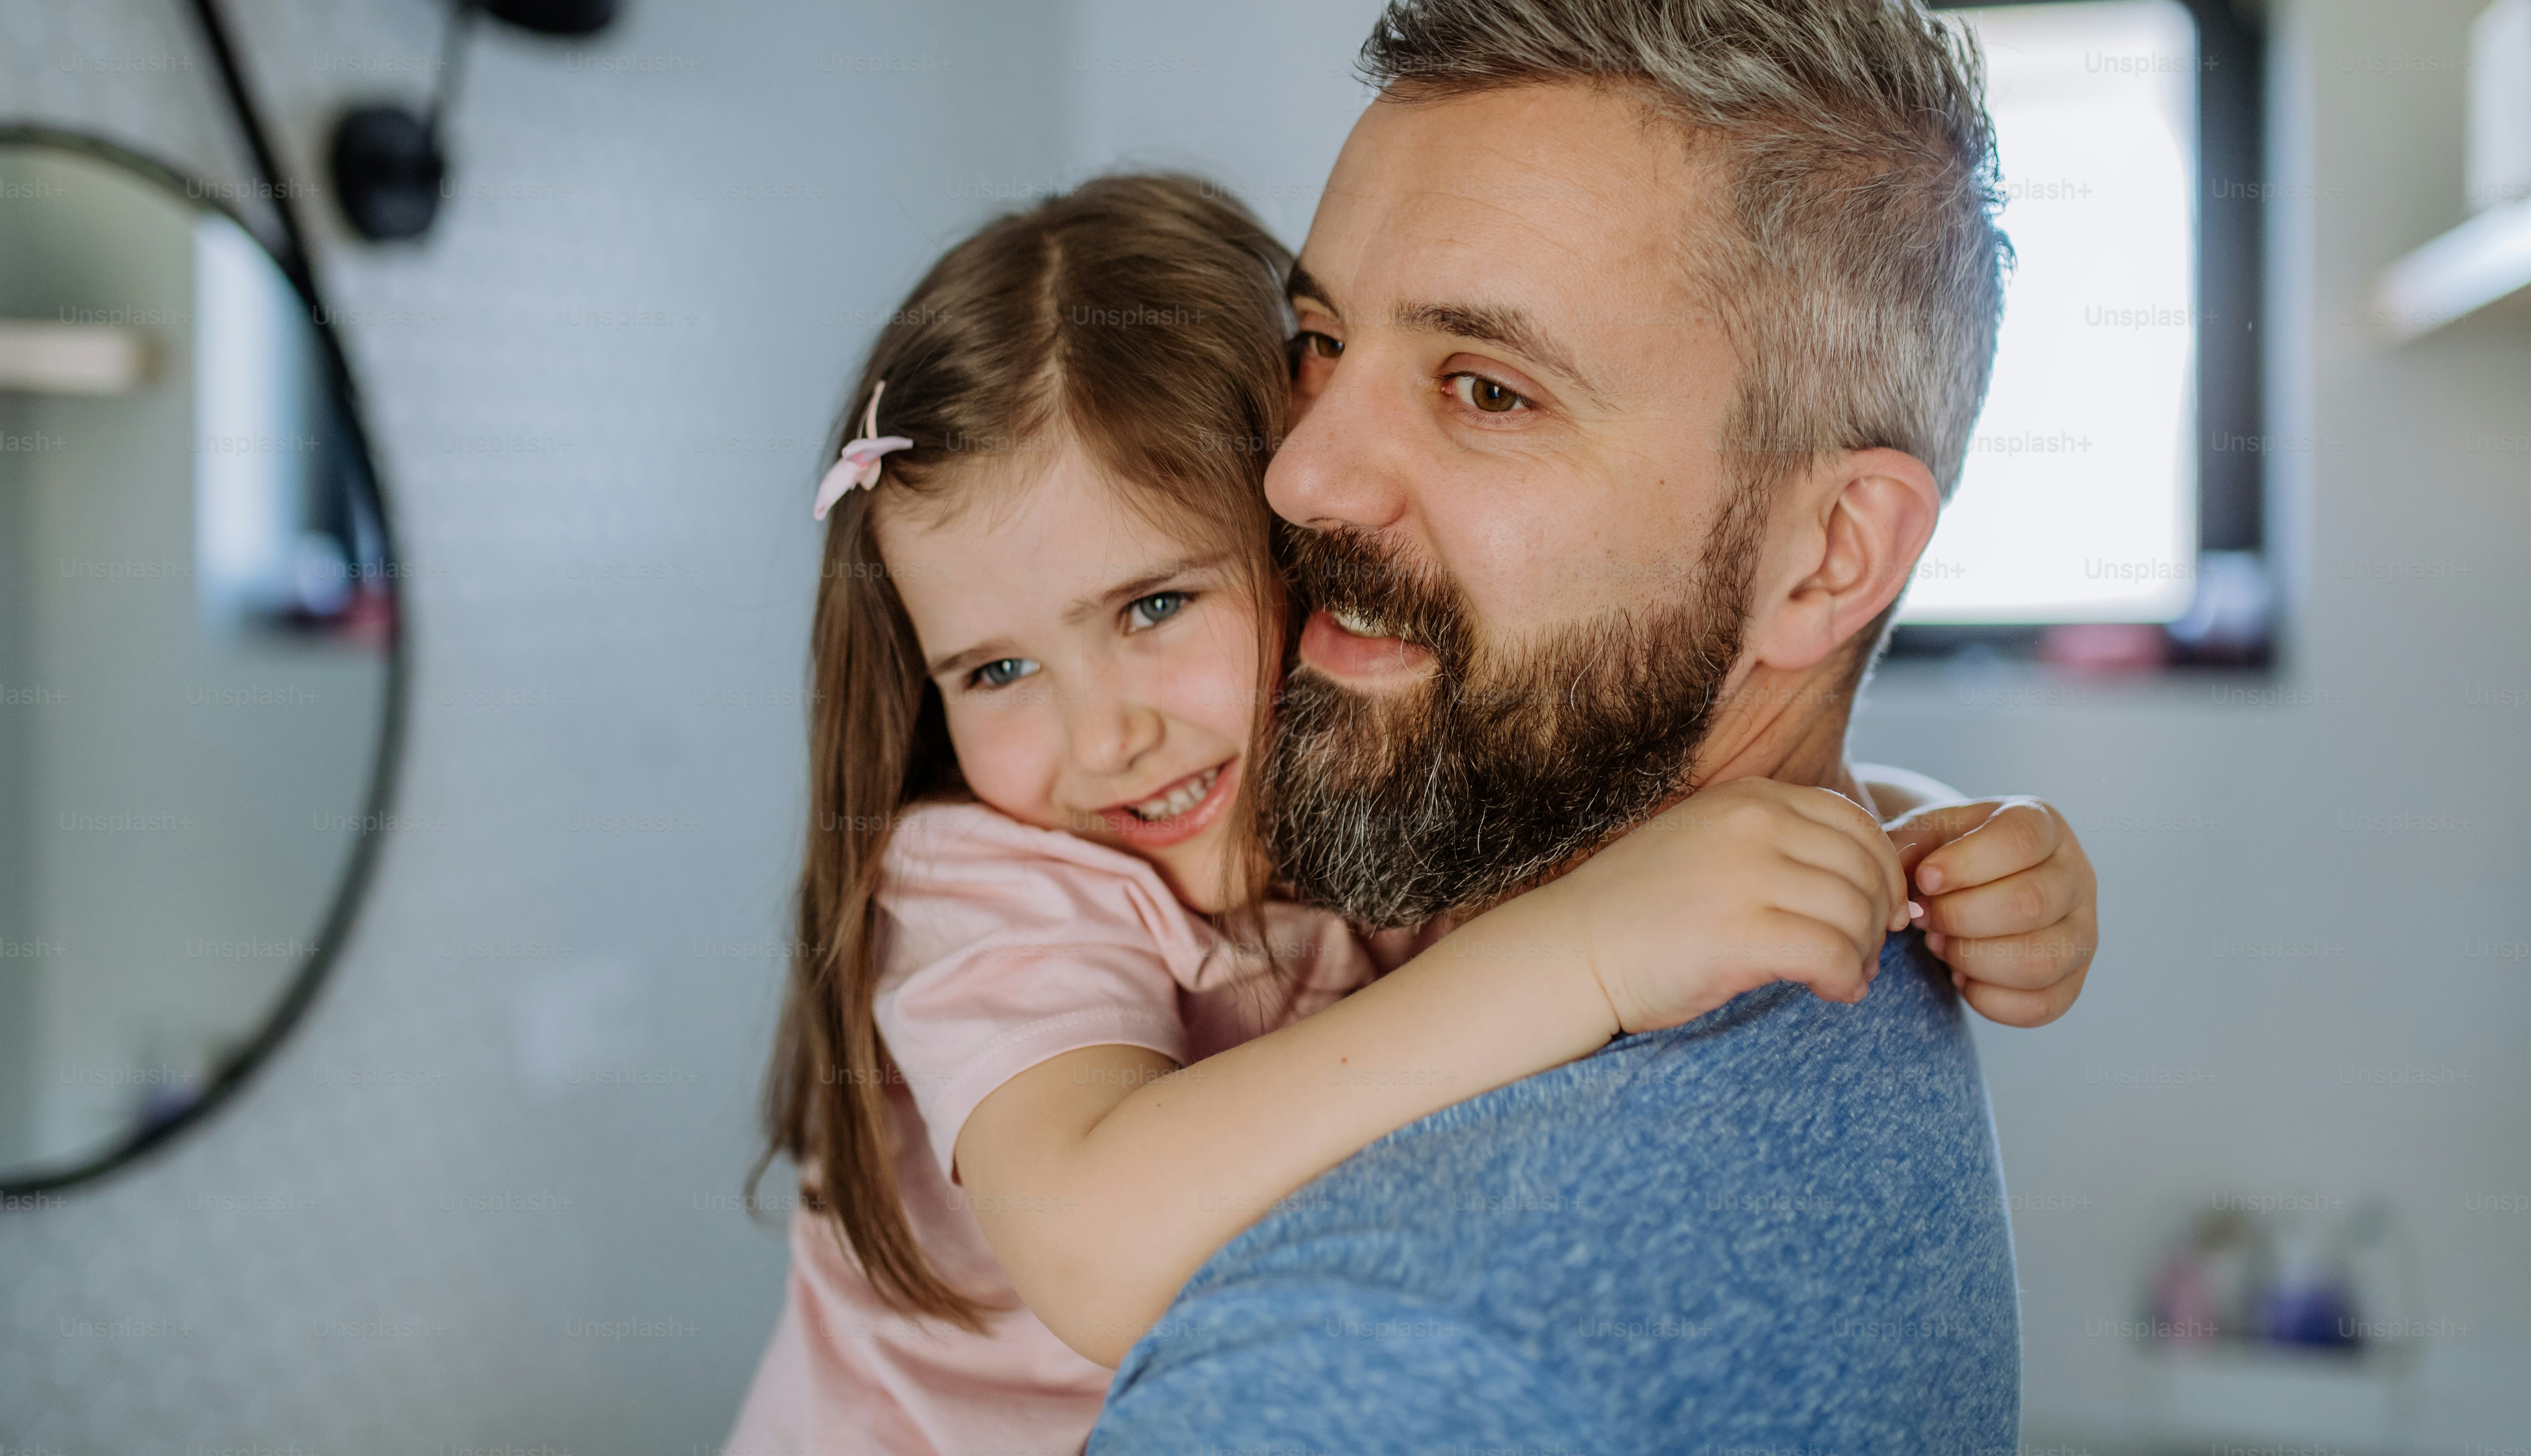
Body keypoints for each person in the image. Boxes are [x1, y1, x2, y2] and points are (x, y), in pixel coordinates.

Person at [726, 174, 2096, 1454]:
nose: (1101, 735)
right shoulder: (983, 878)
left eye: (1154, 608)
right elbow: (1094, 1243)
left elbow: (1666, 821)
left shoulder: (1365, 786)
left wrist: (1930, 837)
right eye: (998, 670)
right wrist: (1588, 949)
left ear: (1306, 551)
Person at [1091, 0, 2084, 1451]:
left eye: (1488, 389)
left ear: (1830, 556)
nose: (1299, 478)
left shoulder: (1359, 1367)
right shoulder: (1839, 971)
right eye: (1319, 339)